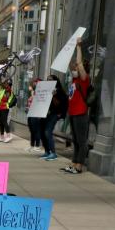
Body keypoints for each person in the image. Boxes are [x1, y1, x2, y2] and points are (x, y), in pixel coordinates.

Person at [62, 38, 90, 174]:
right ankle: (74, 163)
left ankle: (79, 165)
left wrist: (78, 47)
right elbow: (71, 64)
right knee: (75, 140)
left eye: (78, 67)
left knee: (81, 140)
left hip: (80, 113)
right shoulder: (74, 79)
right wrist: (70, 49)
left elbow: (78, 63)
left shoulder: (84, 80)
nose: (75, 67)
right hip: (73, 113)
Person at [40, 74, 67, 161]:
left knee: (48, 132)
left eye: (50, 80)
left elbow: (60, 104)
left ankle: (53, 153)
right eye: (47, 79)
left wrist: (54, 96)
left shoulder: (59, 91)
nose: (48, 81)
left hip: (55, 114)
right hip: (46, 114)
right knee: (42, 132)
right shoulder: (46, 90)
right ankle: (47, 151)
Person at [26, 78, 43, 153]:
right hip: (30, 113)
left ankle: (37, 146)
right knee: (32, 130)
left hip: (36, 113)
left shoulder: (39, 93)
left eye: (34, 84)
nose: (32, 85)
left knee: (36, 130)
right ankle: (32, 145)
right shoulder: (33, 93)